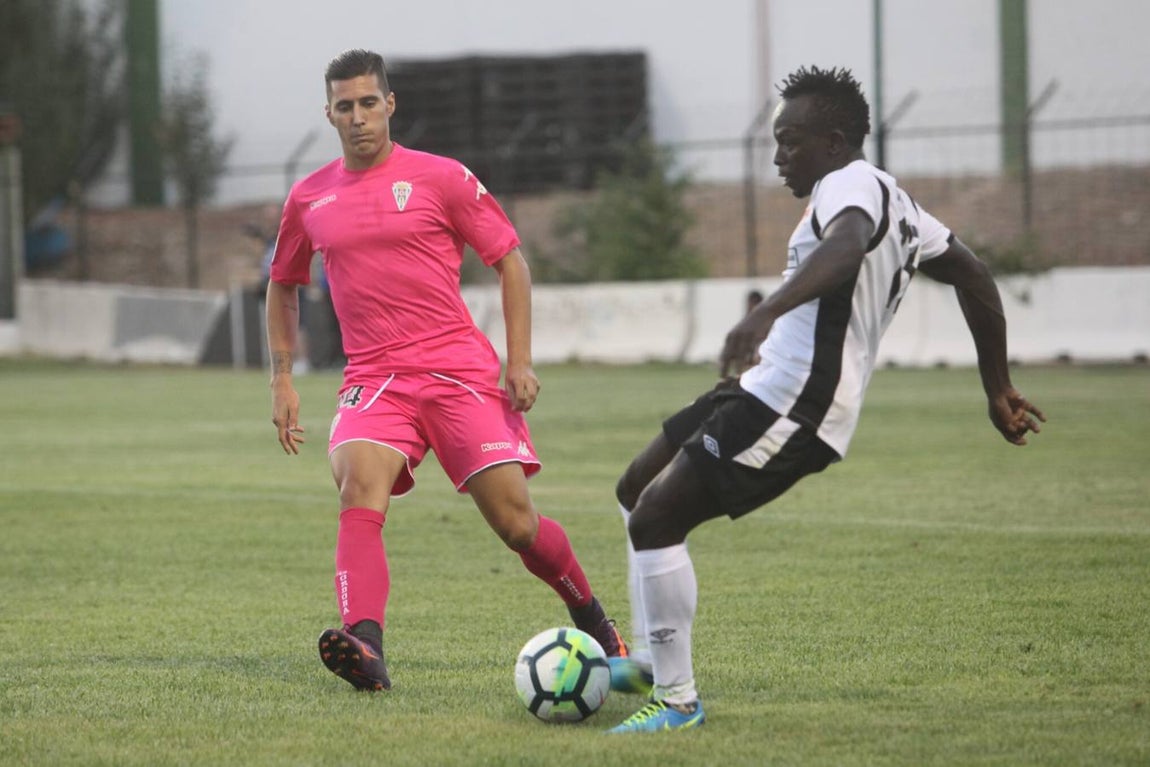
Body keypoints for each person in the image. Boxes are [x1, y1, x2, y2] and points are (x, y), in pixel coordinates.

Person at [605, 65, 1046, 733]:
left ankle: (678, 699)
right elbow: (974, 274)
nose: (780, 157)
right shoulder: (896, 202)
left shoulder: (851, 185)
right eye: (776, 141)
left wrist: (763, 313)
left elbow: (842, 251)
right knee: (636, 487)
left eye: (791, 141)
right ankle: (648, 656)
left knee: (656, 518)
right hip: (762, 387)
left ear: (834, 142)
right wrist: (998, 386)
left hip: (798, 406)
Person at [265, 49, 627, 692]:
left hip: (458, 372)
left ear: (390, 104)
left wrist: (519, 362)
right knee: (357, 486)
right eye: (344, 107)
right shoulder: (309, 197)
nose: (358, 118)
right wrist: (283, 377)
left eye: (368, 103)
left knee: (516, 524)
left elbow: (510, 260)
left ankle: (593, 619)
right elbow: (283, 283)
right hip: (375, 379)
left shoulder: (442, 178)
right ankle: (365, 645)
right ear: (328, 114)